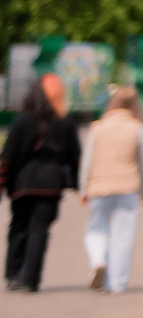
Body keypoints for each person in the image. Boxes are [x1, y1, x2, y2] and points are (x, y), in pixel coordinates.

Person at [1, 74, 79, 291]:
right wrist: (77, 183)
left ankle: (13, 274)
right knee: (39, 230)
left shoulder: (22, 120)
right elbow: (75, 156)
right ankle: (30, 279)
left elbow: (8, 156)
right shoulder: (64, 121)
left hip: (22, 183)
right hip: (51, 184)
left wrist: (4, 182)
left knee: (18, 228)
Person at [78, 86, 143, 293]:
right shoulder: (138, 128)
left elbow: (87, 161)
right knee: (123, 236)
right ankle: (118, 283)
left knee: (96, 229)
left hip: (99, 186)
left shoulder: (97, 127)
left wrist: (83, 188)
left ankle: (98, 260)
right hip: (127, 187)